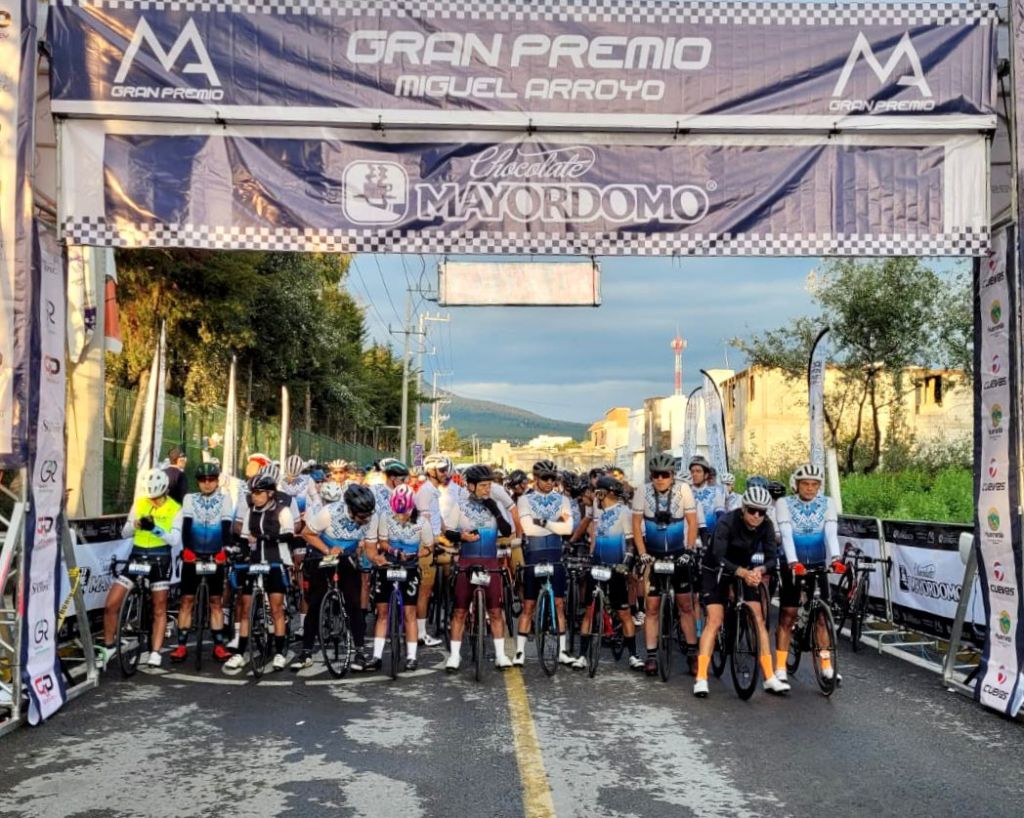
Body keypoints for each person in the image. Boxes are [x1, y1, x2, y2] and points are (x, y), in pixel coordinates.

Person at [693, 486, 791, 697]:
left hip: (745, 570)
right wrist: (742, 572)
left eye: (761, 512)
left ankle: (769, 677)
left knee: (758, 618)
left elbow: (772, 558)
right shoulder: (727, 522)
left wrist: (760, 569)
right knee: (714, 620)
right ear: (743, 508)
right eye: (752, 510)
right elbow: (718, 556)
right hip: (716, 569)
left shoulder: (766, 524)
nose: (757, 516)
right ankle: (701, 678)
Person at [98, 469, 182, 668]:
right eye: (151, 497)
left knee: (159, 607)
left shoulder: (175, 508)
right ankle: (109, 646)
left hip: (160, 560)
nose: (153, 501)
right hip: (137, 556)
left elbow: (174, 539)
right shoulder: (140, 503)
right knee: (111, 604)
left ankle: (155, 651)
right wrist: (135, 524)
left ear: (165, 491)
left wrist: (155, 528)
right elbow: (124, 533)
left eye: (157, 497)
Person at [293, 483, 379, 671]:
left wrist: (376, 558)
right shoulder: (329, 512)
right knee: (315, 602)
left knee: (354, 604)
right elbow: (307, 533)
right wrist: (327, 550)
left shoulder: (371, 518)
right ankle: (306, 651)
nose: (366, 520)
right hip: (322, 553)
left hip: (347, 556)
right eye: (362, 516)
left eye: (368, 515)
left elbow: (371, 547)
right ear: (351, 509)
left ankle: (359, 651)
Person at [774, 463, 845, 684]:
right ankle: (780, 666)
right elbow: (786, 534)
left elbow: (831, 533)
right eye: (805, 483)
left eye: (815, 484)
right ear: (796, 485)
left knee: (822, 617)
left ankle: (826, 666)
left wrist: (836, 558)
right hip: (792, 564)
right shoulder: (784, 503)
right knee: (788, 614)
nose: (810, 488)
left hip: (817, 562)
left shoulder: (827, 503)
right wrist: (793, 562)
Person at [632, 451, 700, 676]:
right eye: (655, 475)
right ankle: (651, 656)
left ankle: (692, 654)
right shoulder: (642, 491)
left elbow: (692, 522)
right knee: (651, 608)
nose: (660, 479)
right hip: (653, 554)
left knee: (686, 606)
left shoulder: (684, 489)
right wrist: (642, 553)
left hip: (678, 553)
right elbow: (636, 524)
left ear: (672, 475)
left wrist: (689, 550)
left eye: (665, 475)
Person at [444, 464, 513, 671]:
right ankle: (454, 656)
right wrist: (462, 536)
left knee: (495, 612)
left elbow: (507, 531)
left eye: (489, 485)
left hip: (490, 562)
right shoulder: (460, 505)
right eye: (483, 486)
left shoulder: (495, 504)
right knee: (460, 611)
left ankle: (500, 655)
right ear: (471, 486)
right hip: (467, 561)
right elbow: (448, 532)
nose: (487, 489)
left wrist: (496, 511)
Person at [223, 474, 295, 672]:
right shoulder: (250, 511)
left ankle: (279, 653)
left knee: (276, 609)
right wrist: (238, 551)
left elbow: (289, 535)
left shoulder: (282, 510)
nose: (254, 496)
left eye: (258, 492)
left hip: (276, 563)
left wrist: (266, 537)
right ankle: (240, 653)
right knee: (246, 609)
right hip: (254, 564)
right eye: (252, 493)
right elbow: (246, 538)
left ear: (270, 493)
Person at [513, 460, 578, 668]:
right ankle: (520, 652)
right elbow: (528, 529)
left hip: (555, 555)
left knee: (559, 604)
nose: (550, 482)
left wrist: (544, 522)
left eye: (553, 478)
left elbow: (568, 529)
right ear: (535, 479)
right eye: (545, 478)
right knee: (529, 606)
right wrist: (555, 526)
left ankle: (562, 652)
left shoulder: (563, 500)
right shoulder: (525, 500)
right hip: (534, 554)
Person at [578, 476, 644, 670]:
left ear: (604, 493)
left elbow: (631, 544)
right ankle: (582, 656)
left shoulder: (625, 512)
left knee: (624, 613)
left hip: (615, 568)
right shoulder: (598, 510)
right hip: (596, 567)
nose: (594, 495)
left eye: (597, 492)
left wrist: (626, 564)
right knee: (589, 611)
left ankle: (633, 655)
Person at [171, 462, 233, 664]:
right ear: (197, 482)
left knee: (215, 602)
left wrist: (224, 550)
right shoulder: (189, 499)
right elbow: (186, 526)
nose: (207, 483)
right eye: (203, 480)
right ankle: (181, 646)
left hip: (216, 554)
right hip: (193, 554)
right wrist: (186, 549)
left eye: (211, 479)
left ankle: (219, 646)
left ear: (217, 481)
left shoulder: (225, 499)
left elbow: (226, 527)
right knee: (187, 600)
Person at [366, 485, 433, 671]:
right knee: (382, 613)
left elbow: (429, 547)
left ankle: (411, 657)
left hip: (410, 568)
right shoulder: (385, 517)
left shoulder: (422, 522)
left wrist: (418, 554)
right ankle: (376, 656)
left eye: (404, 513)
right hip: (388, 564)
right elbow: (382, 542)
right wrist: (393, 550)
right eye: (397, 512)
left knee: (409, 612)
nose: (400, 516)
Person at [689, 455, 724, 545]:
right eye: (692, 471)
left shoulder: (716, 492)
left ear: (706, 475)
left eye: (698, 471)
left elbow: (720, 516)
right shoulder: (685, 492)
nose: (694, 474)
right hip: (689, 540)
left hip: (711, 539)